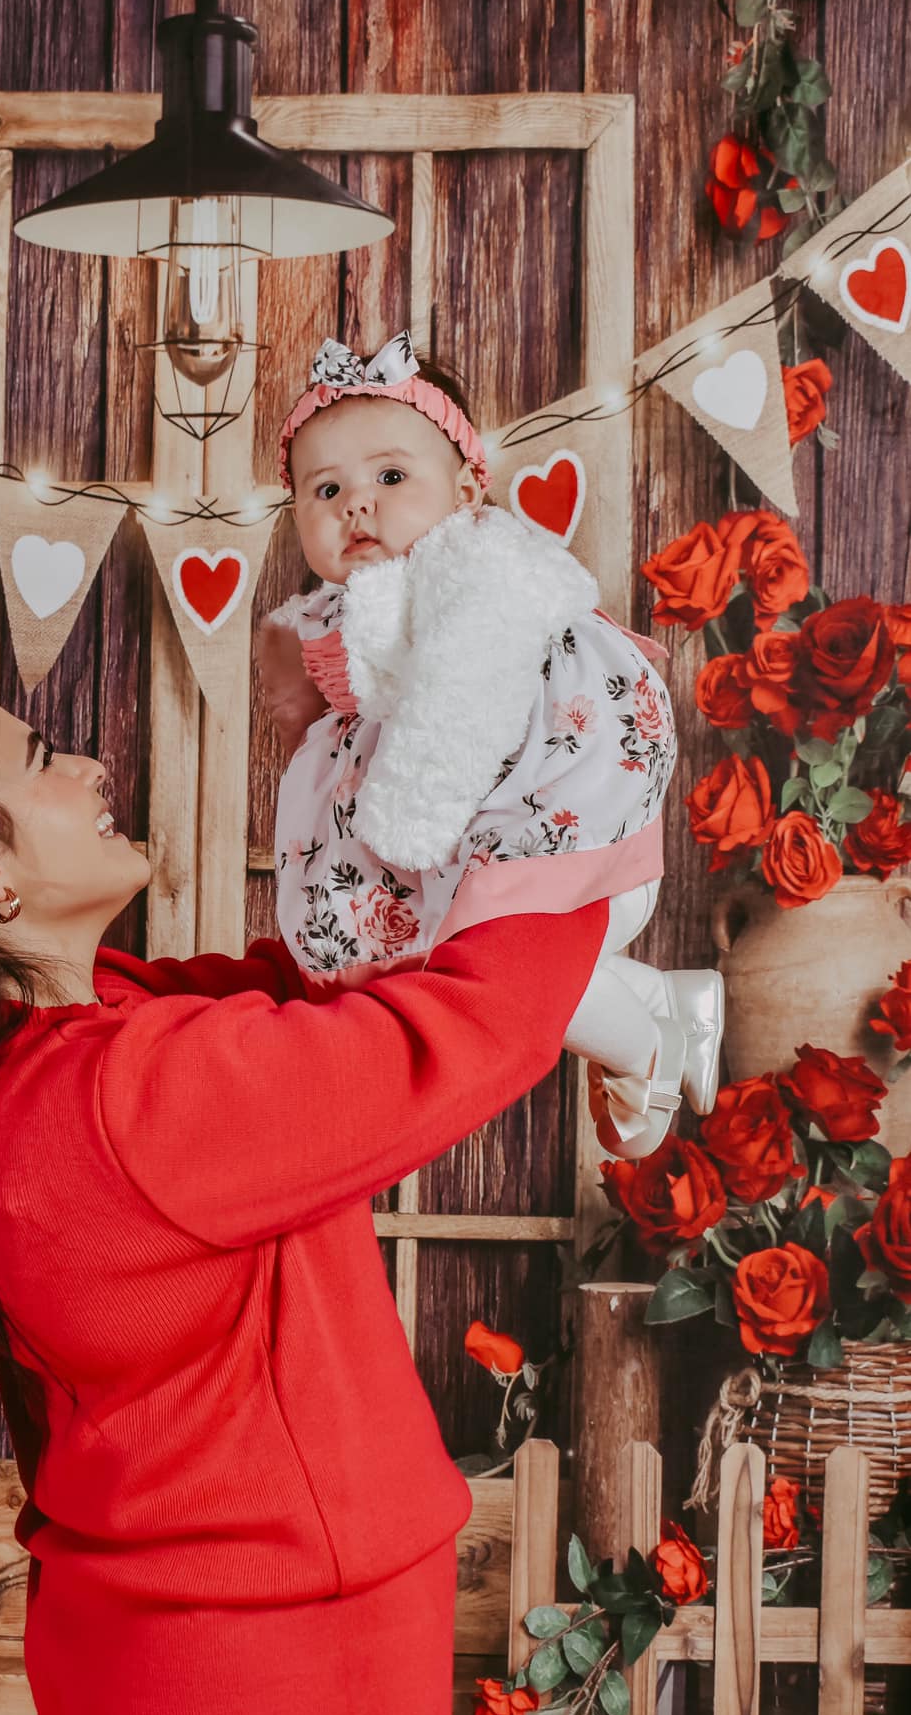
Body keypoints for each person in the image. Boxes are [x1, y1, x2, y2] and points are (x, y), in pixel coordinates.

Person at [0, 674, 611, 1715]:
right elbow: (468, 1028)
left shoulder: (50, 1061)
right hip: (274, 1682)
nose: (93, 767)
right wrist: (587, 787)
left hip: (160, 1661)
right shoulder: (130, 1100)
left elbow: (304, 980)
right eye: (43, 757)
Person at [256, 328, 725, 1161]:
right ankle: (662, 1001)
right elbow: (354, 681)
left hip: (552, 789)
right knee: (458, 965)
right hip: (472, 815)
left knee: (498, 969)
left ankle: (650, 1045)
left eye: (391, 477)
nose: (356, 503)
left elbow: (458, 706)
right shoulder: (369, 596)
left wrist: (403, 818)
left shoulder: (478, 574)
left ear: (470, 485)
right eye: (324, 489)